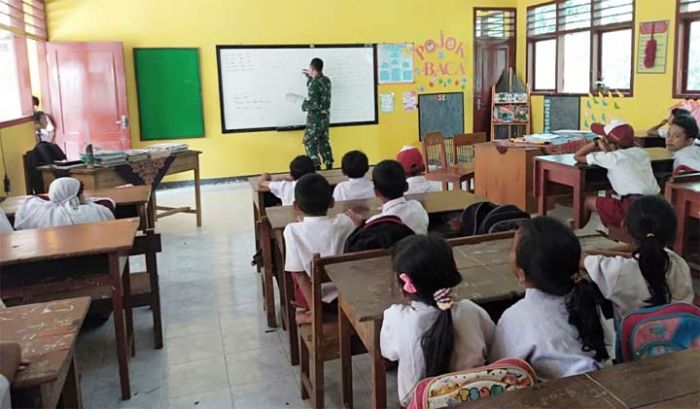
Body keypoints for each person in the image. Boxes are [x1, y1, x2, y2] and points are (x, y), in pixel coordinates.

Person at [490, 217, 611, 381]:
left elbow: (498, 373)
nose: (509, 253)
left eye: (512, 249)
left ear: (521, 273)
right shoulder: (591, 299)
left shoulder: (515, 318)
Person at [380, 235, 494, 407]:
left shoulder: (396, 318)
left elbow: (388, 353)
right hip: (474, 401)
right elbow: (492, 344)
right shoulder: (470, 311)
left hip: (419, 404)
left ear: (403, 284)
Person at [583, 196, 693, 319]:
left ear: (624, 227)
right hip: (683, 335)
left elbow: (579, 257)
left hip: (633, 338)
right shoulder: (679, 264)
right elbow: (637, 256)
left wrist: (594, 252)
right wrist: (601, 252)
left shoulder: (618, 271)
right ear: (673, 234)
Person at [283, 173, 355, 323]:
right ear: (332, 203)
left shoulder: (292, 230)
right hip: (344, 297)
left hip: (313, 299)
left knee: (298, 273)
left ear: (296, 206)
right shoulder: (345, 223)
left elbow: (301, 277)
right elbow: (354, 220)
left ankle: (311, 315)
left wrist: (316, 313)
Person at [573, 120, 660, 228]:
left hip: (632, 207)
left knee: (587, 201)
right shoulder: (642, 153)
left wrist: (595, 143)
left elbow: (577, 156)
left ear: (608, 142)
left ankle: (576, 228)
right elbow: (623, 156)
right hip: (656, 204)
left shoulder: (611, 158)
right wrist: (609, 149)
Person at [352, 160, 429, 235]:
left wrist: (357, 228)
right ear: (406, 186)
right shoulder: (417, 207)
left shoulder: (375, 223)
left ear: (376, 192)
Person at [14, 177, 115, 230]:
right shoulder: (87, 212)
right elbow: (107, 203)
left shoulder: (37, 211)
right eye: (81, 194)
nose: (84, 197)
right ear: (75, 197)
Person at [302, 58, 333, 170]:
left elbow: (313, 104)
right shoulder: (326, 80)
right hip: (324, 119)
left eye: (310, 68)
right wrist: (310, 78)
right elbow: (319, 91)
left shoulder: (314, 84)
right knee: (323, 141)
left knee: (310, 142)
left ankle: (316, 166)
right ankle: (329, 165)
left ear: (312, 68)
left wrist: (304, 105)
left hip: (315, 119)